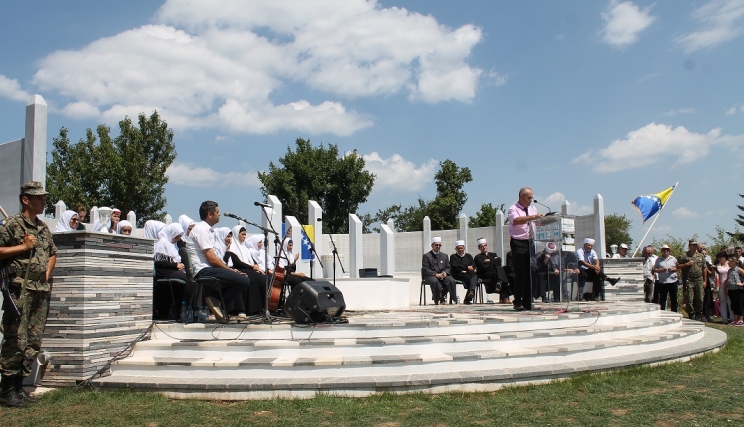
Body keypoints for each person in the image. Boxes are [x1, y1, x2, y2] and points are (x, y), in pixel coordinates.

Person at [0, 181, 57, 407]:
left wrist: (46, 273)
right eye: (39, 198)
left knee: (33, 341)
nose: (44, 202)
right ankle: (6, 390)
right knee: (16, 338)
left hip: (39, 290)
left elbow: (53, 253)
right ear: (26, 200)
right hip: (19, 290)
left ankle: (18, 387)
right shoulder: (13, 225)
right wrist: (22, 247)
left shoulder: (42, 227)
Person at [185, 201, 263, 320]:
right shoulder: (201, 229)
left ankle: (217, 302)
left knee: (242, 278)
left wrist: (231, 270)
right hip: (203, 270)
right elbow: (212, 259)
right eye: (217, 212)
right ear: (210, 215)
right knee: (243, 280)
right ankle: (218, 303)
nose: (220, 214)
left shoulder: (206, 230)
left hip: (209, 268)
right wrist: (231, 270)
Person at [507, 187, 543, 311]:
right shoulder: (513, 209)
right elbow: (516, 221)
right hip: (518, 242)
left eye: (532, 197)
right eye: (528, 197)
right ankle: (518, 301)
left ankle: (528, 301)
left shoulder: (532, 209)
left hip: (530, 242)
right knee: (521, 273)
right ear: (521, 196)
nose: (530, 200)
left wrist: (542, 220)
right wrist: (532, 217)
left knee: (531, 272)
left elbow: (535, 222)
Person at [153, 223, 197, 319]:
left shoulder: (171, 245)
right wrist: (176, 265)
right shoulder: (162, 242)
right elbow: (159, 262)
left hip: (172, 270)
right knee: (189, 282)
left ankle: (182, 309)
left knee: (189, 281)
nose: (176, 239)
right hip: (164, 272)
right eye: (176, 237)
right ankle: (184, 309)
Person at [474, 238, 510, 304]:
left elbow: (499, 262)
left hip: (495, 273)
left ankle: (500, 282)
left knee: (502, 269)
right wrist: (493, 261)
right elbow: (483, 267)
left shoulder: (493, 254)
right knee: (501, 274)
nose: (484, 247)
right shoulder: (478, 257)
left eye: (485, 246)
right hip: (486, 274)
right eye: (482, 246)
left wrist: (489, 261)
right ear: (479, 248)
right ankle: (504, 296)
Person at [422, 236, 456, 305]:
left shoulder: (445, 256)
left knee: (451, 280)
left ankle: (450, 297)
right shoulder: (426, 256)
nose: (438, 246)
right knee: (435, 281)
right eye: (436, 245)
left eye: (439, 245)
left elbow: (448, 267)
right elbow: (425, 268)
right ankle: (438, 299)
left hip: (443, 275)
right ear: (432, 245)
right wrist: (435, 274)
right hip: (431, 275)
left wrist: (445, 273)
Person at [678, 240, 707, 321]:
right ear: (689, 246)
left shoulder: (700, 256)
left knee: (700, 298)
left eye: (696, 245)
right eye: (693, 245)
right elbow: (677, 266)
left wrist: (705, 281)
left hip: (699, 279)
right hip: (689, 280)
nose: (695, 246)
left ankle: (698, 313)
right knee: (689, 298)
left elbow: (704, 268)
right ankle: (691, 313)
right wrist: (687, 264)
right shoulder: (684, 256)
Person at [450, 240, 478, 304]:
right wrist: (467, 268)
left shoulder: (468, 256)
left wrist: (466, 270)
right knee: (473, 279)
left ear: (464, 248)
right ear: (456, 249)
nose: (460, 250)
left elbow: (473, 265)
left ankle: (471, 292)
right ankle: (468, 297)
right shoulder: (453, 256)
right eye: (458, 248)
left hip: (468, 274)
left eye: (462, 248)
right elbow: (455, 266)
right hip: (458, 274)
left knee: (475, 275)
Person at [654, 244, 679, 312]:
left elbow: (678, 267)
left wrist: (673, 269)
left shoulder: (673, 259)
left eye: (667, 250)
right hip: (663, 282)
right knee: (662, 299)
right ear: (662, 251)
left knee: (674, 298)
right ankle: (662, 312)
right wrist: (661, 270)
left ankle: (674, 312)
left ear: (669, 251)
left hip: (672, 281)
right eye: (664, 250)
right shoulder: (658, 260)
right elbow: (654, 269)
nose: (666, 251)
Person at [713, 251, 732, 324]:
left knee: (730, 301)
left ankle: (732, 317)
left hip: (729, 285)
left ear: (725, 258)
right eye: (719, 257)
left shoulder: (729, 265)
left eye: (722, 257)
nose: (721, 259)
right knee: (723, 302)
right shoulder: (717, 266)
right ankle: (724, 318)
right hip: (721, 285)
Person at [725, 255, 744, 326]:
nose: (728, 263)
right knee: (734, 304)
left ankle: (741, 319)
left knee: (739, 304)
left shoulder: (738, 269)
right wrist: (726, 288)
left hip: (738, 290)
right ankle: (735, 319)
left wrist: (742, 284)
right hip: (731, 289)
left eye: (729, 262)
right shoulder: (729, 270)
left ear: (733, 262)